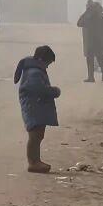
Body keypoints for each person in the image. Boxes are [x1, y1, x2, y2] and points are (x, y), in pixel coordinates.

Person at [14, 45, 61, 174]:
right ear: (41, 60)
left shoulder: (34, 70)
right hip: (33, 107)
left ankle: (36, 161)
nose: (47, 67)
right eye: (48, 63)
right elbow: (39, 89)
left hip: (36, 107)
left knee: (38, 135)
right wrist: (54, 91)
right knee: (35, 136)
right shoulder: (34, 73)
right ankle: (33, 162)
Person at [76, 0, 103, 82]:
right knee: (99, 58)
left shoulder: (89, 15)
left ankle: (91, 77)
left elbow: (79, 23)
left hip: (91, 40)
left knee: (90, 59)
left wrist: (86, 12)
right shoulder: (101, 15)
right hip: (98, 40)